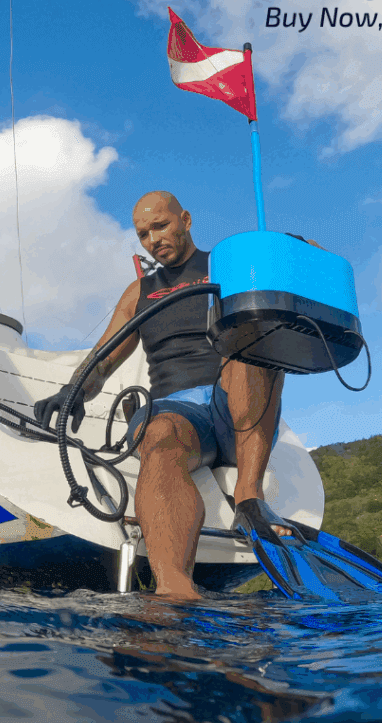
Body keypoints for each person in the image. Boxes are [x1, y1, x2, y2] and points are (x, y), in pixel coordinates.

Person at [39, 190, 284, 600]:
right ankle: (174, 593)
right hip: (177, 409)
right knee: (160, 432)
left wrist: (297, 249)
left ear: (185, 219)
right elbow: (103, 358)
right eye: (143, 234)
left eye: (161, 226)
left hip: (237, 402)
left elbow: (282, 280)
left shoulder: (228, 265)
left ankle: (249, 498)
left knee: (252, 341)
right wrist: (72, 391)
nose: (153, 239)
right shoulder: (139, 292)